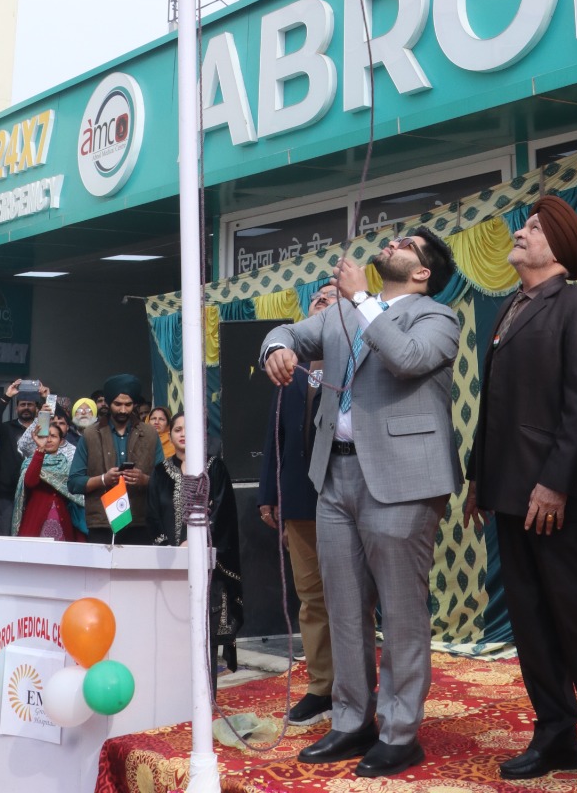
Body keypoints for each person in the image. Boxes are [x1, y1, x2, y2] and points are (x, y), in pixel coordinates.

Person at [261, 227, 461, 778]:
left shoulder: (436, 318)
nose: (392, 242)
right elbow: (287, 331)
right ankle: (351, 722)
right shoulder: (341, 313)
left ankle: (400, 733)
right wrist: (276, 348)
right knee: (343, 607)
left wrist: (362, 300)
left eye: (407, 244)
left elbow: (407, 358)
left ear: (422, 272)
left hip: (401, 479)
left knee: (400, 611)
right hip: (334, 472)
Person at [465, 195, 577, 789]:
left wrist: (554, 482)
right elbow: (493, 407)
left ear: (562, 248)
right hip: (508, 494)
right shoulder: (511, 309)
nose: (521, 232)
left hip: (554, 497)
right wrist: (477, 480)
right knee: (531, 619)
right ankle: (556, 734)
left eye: (535, 229)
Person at [258, 283, 338, 725]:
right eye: (315, 299)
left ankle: (356, 688)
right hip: (299, 498)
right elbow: (276, 435)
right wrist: (270, 494)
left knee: (350, 598)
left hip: (346, 494)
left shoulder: (358, 358)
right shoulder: (290, 365)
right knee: (310, 598)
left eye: (329, 297)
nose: (320, 301)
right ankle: (321, 687)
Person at [147, 412, 243, 672]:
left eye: (189, 429)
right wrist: (170, 547)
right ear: (170, 435)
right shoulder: (160, 472)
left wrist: (198, 542)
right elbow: (154, 515)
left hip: (210, 566)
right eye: (177, 429)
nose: (183, 434)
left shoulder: (214, 468)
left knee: (205, 632)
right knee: (172, 634)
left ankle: (207, 696)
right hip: (171, 565)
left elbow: (223, 513)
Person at [69, 374, 162, 545]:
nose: (123, 410)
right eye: (117, 404)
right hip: (102, 523)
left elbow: (164, 482)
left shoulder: (149, 434)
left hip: (139, 523)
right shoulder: (90, 435)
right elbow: (74, 483)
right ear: (109, 403)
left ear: (134, 404)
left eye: (128, 404)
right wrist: (103, 479)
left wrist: (144, 480)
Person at [0, 379, 47, 535]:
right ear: (16, 408)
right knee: (4, 539)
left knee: (33, 538)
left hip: (35, 493)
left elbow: (62, 421)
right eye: (22, 404)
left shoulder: (45, 429)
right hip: (8, 495)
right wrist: (6, 397)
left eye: (30, 404)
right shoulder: (7, 429)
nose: (26, 408)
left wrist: (47, 398)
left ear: (37, 407)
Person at [12, 419, 87, 541]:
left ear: (61, 441)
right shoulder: (31, 461)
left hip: (63, 521)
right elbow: (30, 482)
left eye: (53, 436)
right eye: (45, 436)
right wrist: (40, 450)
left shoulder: (67, 465)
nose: (49, 439)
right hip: (35, 519)